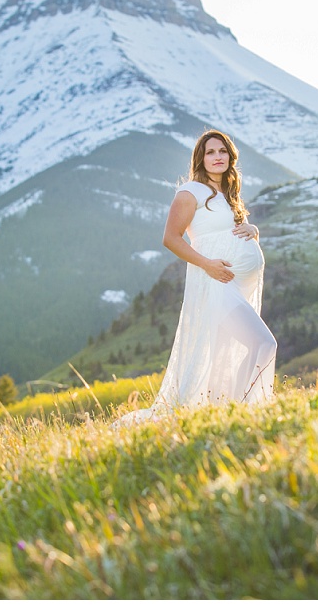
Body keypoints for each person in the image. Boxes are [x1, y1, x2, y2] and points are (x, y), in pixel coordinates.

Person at [114, 129, 277, 426]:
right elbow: (171, 238)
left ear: (231, 156)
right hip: (216, 285)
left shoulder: (228, 195)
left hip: (236, 285)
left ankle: (232, 412)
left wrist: (253, 231)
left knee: (240, 349)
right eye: (210, 152)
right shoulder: (190, 192)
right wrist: (208, 265)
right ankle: (241, 410)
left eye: (222, 151)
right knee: (264, 343)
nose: (217, 157)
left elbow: (230, 229)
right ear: (200, 159)